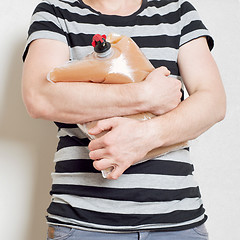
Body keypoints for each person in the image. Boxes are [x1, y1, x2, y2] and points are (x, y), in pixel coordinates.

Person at [22, 0, 226, 239]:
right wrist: (145, 96)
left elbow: (213, 102)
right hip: (83, 224)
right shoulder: (56, 12)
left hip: (178, 223)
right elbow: (39, 98)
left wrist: (144, 137)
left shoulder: (178, 13)